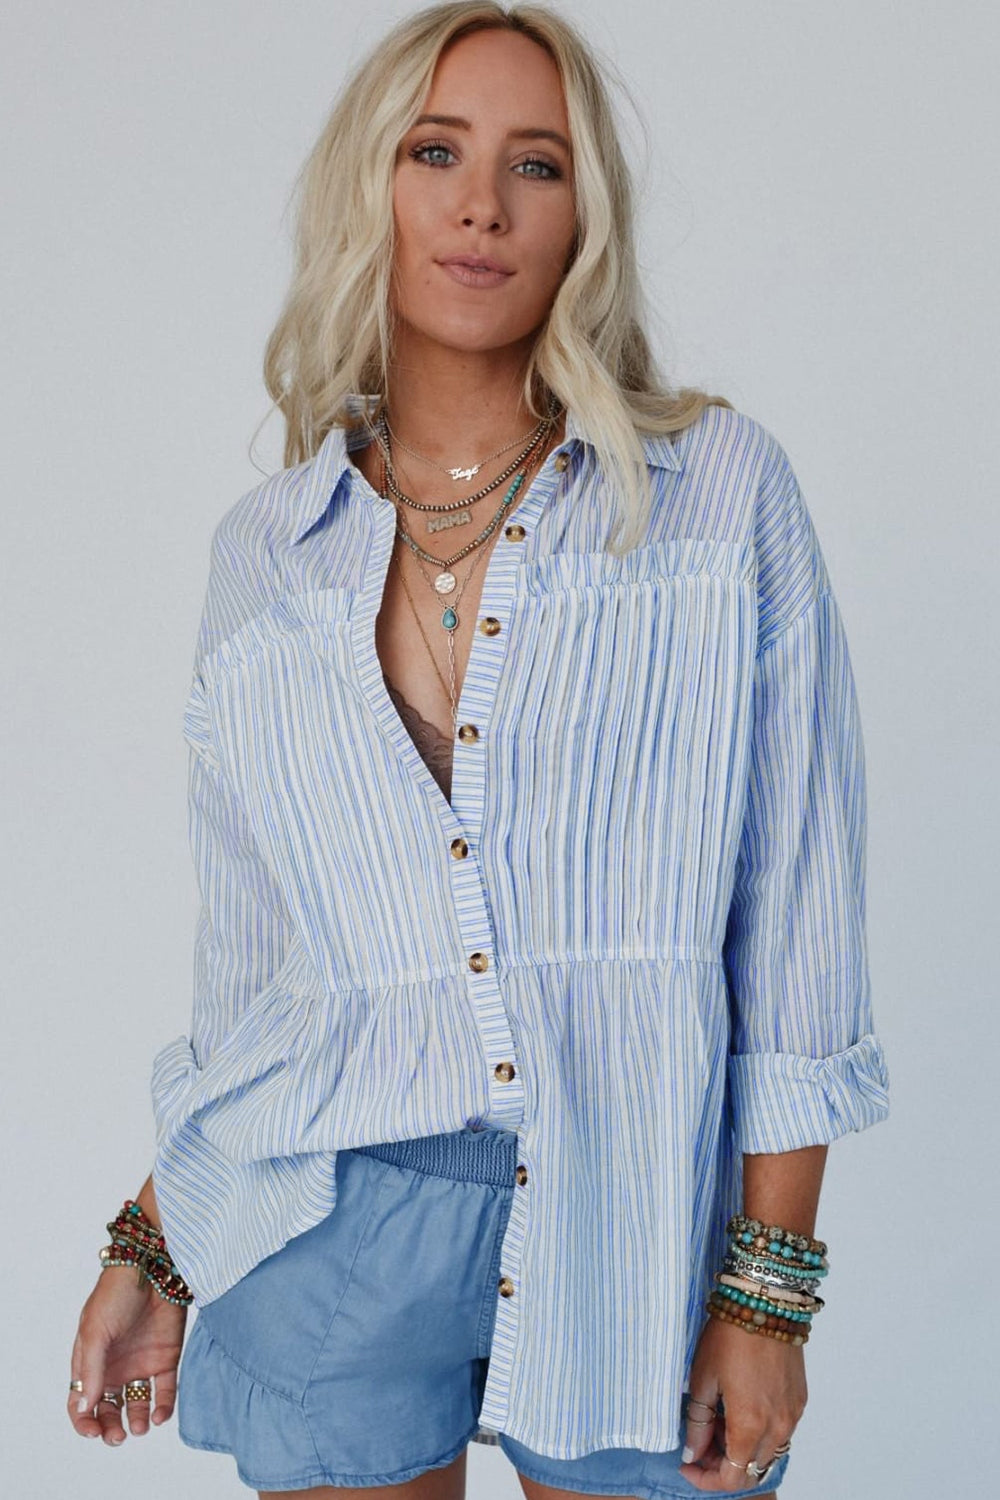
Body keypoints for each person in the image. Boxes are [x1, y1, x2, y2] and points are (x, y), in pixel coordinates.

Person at [66, 5, 890, 1498]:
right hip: (327, 1222)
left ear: (586, 217)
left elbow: (797, 920)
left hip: (631, 1219)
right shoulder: (267, 556)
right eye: (435, 152)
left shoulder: (716, 500)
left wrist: (767, 1296)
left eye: (537, 164)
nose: (482, 205)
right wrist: (159, 1240)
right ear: (369, 185)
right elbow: (258, 974)